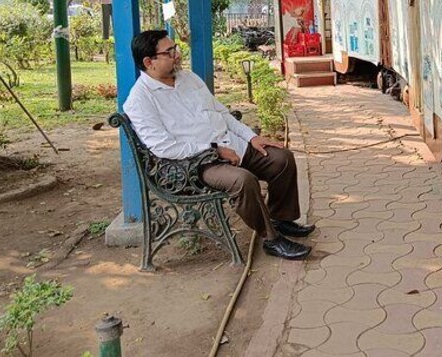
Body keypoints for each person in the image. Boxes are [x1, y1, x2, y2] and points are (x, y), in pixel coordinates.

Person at [122, 30, 313, 260]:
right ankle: (271, 239)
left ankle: (281, 219)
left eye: (176, 48)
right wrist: (212, 149)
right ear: (148, 62)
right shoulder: (140, 100)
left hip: (231, 145)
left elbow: (220, 111)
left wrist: (250, 137)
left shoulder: (188, 78)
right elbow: (163, 147)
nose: (177, 55)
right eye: (169, 52)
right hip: (194, 164)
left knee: (282, 160)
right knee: (242, 181)